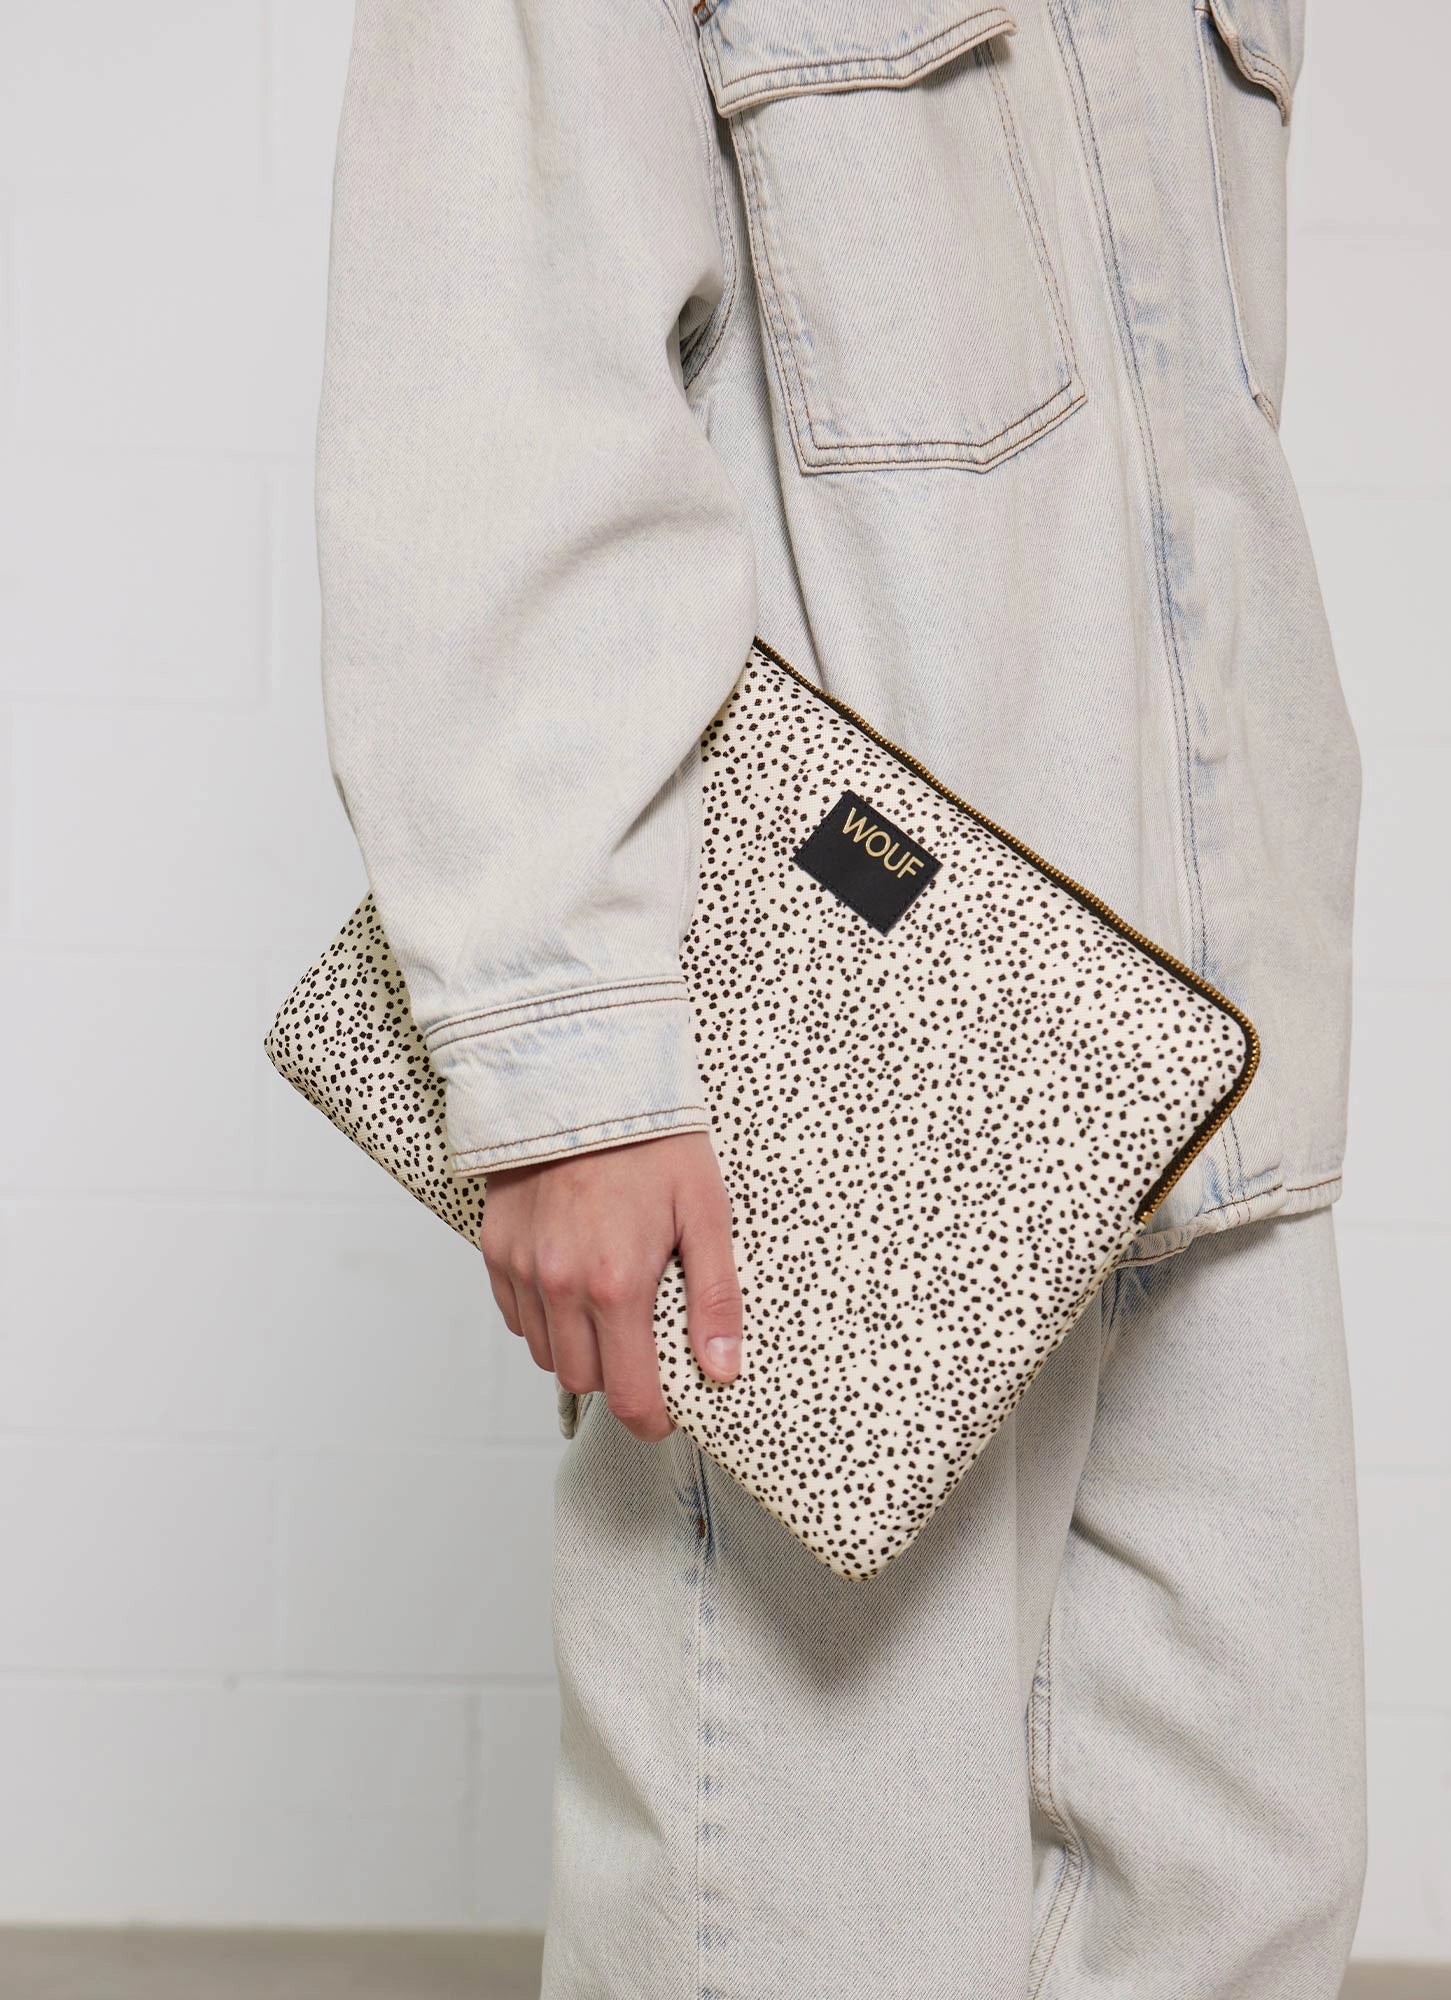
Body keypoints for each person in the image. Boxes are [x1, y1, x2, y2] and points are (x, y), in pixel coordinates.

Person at [313, 0, 1366, 1992]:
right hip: (849, 1079)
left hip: (1216, 1059)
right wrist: (567, 1056)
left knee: (1241, 1894)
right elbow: (491, 353)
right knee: (810, 1922)